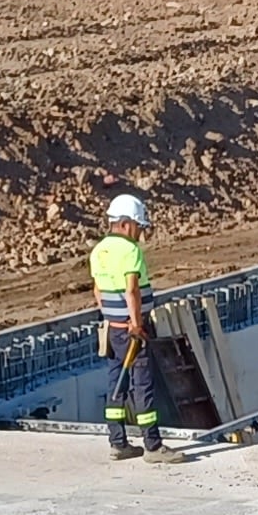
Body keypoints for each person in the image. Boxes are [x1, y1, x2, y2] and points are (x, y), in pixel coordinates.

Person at [90, 189, 158, 459]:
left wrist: (112, 319)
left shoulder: (99, 250)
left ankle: (117, 443)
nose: (140, 233)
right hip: (132, 330)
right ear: (127, 223)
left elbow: (97, 291)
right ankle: (153, 446)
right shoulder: (130, 250)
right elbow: (132, 290)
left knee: (115, 383)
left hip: (112, 328)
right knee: (142, 384)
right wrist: (136, 324)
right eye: (139, 227)